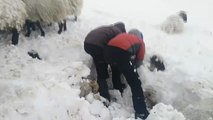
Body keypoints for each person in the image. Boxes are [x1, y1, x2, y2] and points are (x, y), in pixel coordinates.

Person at [104, 29, 149, 119]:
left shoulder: (124, 35)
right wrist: (133, 68)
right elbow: (139, 61)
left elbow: (119, 48)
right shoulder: (140, 42)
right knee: (135, 82)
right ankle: (141, 112)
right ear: (140, 37)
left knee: (116, 70)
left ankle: (118, 90)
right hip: (120, 53)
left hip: (107, 51)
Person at [84, 22, 126, 101]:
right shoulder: (118, 32)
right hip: (97, 46)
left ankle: (107, 90)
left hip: (87, 44)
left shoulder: (109, 29)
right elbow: (116, 48)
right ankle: (105, 96)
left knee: (101, 63)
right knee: (102, 71)